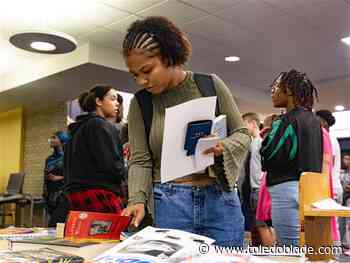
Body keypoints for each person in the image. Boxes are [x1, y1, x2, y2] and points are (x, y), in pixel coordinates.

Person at [121, 16, 251, 247]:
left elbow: (242, 133)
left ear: (170, 56)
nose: (141, 81)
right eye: (135, 75)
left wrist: (223, 146)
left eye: (147, 70)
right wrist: (137, 199)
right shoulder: (141, 104)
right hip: (170, 203)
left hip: (220, 200)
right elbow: (140, 160)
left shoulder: (209, 85)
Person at [261, 69, 322, 246]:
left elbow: (270, 158)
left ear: (288, 90)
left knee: (290, 250)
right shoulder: (314, 120)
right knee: (309, 246)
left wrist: (266, 136)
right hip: (311, 188)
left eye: (275, 87)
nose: (272, 92)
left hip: (286, 189)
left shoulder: (285, 120)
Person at [64, 85, 125, 214]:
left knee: (87, 234)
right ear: (98, 101)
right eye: (113, 98)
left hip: (76, 195)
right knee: (116, 233)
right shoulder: (100, 125)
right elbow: (112, 165)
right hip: (101, 193)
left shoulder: (76, 130)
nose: (117, 104)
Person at [316, 110, 343, 203]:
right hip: (332, 186)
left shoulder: (329, 138)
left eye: (317, 120)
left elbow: (329, 163)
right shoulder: (331, 137)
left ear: (324, 123)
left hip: (331, 187)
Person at [43, 131, 69, 219]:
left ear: (62, 140)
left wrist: (60, 177)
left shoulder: (68, 157)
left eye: (54, 137)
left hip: (63, 196)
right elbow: (45, 178)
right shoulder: (49, 159)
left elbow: (75, 175)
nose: (50, 140)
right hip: (50, 197)